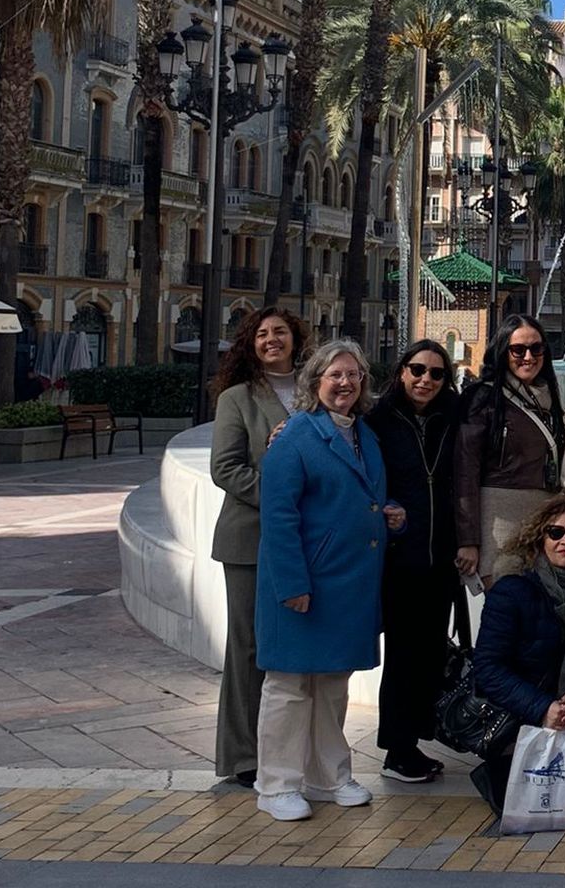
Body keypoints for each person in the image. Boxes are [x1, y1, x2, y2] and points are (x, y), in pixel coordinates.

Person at [254, 339, 402, 821]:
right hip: (305, 585)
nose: (345, 383)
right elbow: (279, 518)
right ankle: (276, 785)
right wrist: (292, 585)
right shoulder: (295, 437)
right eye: (335, 374)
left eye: (353, 375)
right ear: (315, 381)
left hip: (347, 585)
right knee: (289, 686)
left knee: (332, 686)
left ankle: (328, 777)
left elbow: (361, 496)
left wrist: (390, 513)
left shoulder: (364, 435)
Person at [210, 306, 309, 787]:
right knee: (247, 647)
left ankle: (290, 751)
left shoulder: (314, 393)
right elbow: (225, 468)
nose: (272, 340)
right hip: (249, 540)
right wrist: (277, 495)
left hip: (305, 540)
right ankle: (241, 756)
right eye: (263, 334)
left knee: (294, 649)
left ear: (296, 338)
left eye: (281, 331)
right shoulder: (237, 398)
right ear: (251, 344)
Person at [471, 495, 565, 817]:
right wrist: (541, 708)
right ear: (540, 537)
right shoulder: (513, 587)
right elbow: (488, 667)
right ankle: (503, 769)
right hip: (518, 706)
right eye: (556, 532)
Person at [365, 339, 462, 784]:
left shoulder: (452, 416)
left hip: (441, 556)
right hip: (399, 556)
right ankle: (397, 749)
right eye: (418, 370)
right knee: (403, 654)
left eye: (436, 373)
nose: (426, 380)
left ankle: (414, 743)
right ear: (402, 371)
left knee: (431, 651)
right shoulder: (379, 419)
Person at [458, 313, 565, 586]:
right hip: (498, 523)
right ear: (502, 351)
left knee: (540, 606)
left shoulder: (549, 399)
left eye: (536, 348)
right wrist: (468, 540)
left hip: (544, 519)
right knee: (506, 603)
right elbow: (465, 471)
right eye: (518, 349)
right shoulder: (482, 397)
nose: (528, 357)